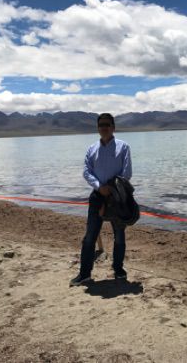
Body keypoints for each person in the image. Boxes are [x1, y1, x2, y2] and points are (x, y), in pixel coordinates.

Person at [70, 113, 132, 287]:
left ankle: (118, 270)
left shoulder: (123, 147)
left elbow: (127, 173)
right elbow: (86, 171)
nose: (104, 127)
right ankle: (84, 274)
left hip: (117, 198)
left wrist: (111, 188)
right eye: (101, 125)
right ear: (98, 128)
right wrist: (99, 186)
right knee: (90, 236)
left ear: (113, 127)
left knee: (119, 236)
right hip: (97, 196)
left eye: (107, 124)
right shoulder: (92, 149)